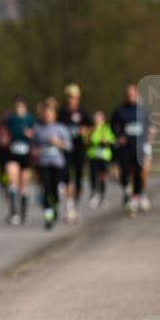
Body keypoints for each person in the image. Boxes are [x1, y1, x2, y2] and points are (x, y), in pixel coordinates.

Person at [32, 102, 72, 230]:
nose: (47, 117)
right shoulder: (38, 129)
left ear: (54, 116)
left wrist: (57, 142)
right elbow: (33, 146)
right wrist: (35, 151)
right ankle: (48, 214)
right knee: (45, 189)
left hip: (57, 163)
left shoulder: (60, 128)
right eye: (45, 115)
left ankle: (55, 208)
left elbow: (69, 146)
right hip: (43, 163)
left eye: (50, 115)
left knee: (55, 190)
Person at [110, 84, 149, 216]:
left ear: (136, 95)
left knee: (138, 174)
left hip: (139, 148)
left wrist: (149, 136)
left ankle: (135, 200)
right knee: (124, 175)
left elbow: (150, 126)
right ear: (125, 95)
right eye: (128, 94)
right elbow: (111, 127)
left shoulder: (143, 111)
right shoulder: (119, 111)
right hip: (125, 148)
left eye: (133, 94)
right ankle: (127, 191)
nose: (130, 96)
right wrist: (118, 136)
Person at [57, 84, 92, 224]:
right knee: (66, 177)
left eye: (73, 97)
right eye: (68, 97)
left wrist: (86, 132)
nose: (71, 100)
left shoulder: (83, 113)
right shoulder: (61, 113)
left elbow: (93, 126)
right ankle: (69, 206)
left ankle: (75, 205)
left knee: (78, 181)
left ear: (78, 98)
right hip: (65, 151)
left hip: (79, 150)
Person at [1, 96, 35, 225]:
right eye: (17, 107)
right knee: (11, 179)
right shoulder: (11, 119)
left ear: (25, 107)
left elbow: (36, 132)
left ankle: (23, 212)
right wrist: (4, 138)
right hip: (13, 152)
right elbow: (4, 132)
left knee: (23, 184)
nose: (19, 109)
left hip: (26, 153)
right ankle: (13, 212)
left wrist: (31, 134)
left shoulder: (30, 119)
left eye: (21, 107)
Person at [86, 111, 115, 208]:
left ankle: (103, 196)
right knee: (93, 176)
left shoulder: (106, 128)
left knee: (103, 176)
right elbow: (88, 140)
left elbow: (112, 139)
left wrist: (106, 140)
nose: (97, 120)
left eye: (99, 118)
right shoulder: (91, 129)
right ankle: (94, 194)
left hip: (104, 156)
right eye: (95, 118)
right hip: (93, 156)